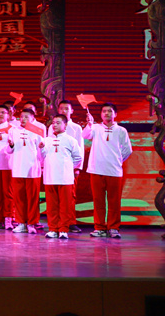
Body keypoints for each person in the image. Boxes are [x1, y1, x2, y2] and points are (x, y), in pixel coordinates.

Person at [83, 103, 132, 238]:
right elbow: (85, 135)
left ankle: (113, 227)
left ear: (115, 114)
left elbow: (128, 149)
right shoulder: (96, 128)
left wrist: (117, 161)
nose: (106, 113)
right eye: (104, 111)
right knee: (98, 200)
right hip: (96, 170)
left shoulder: (121, 130)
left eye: (109, 111)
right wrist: (89, 124)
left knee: (114, 201)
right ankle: (99, 227)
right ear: (101, 114)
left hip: (114, 171)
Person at [39, 114, 83, 239]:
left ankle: (63, 229)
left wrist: (68, 167)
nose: (55, 125)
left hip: (65, 178)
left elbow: (78, 157)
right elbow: (41, 158)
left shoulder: (71, 140)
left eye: (58, 122)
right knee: (52, 205)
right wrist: (41, 149)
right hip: (50, 177)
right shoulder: (46, 140)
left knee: (65, 205)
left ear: (65, 125)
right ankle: (53, 229)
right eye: (53, 123)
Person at [48, 100, 86, 233]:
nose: (64, 111)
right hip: (55, 166)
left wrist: (77, 167)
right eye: (61, 109)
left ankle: (70, 221)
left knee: (70, 195)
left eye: (66, 109)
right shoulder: (52, 127)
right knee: (55, 197)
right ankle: (57, 223)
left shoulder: (76, 128)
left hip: (70, 167)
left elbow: (80, 149)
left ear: (72, 111)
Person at [8, 108, 43, 234]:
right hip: (18, 168)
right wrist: (11, 145)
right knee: (19, 198)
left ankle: (32, 224)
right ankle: (21, 223)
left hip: (33, 169)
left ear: (33, 118)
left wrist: (42, 166)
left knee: (32, 199)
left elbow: (42, 152)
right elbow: (8, 150)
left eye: (26, 117)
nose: (23, 119)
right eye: (21, 116)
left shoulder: (37, 131)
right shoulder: (13, 130)